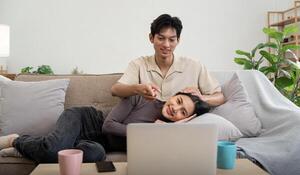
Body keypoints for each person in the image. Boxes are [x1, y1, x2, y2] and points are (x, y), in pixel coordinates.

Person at [0, 92, 210, 163]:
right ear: (174, 95)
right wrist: (149, 131)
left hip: (94, 143)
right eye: (179, 101)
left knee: (96, 155)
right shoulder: (141, 99)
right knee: (52, 151)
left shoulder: (164, 133)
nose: (176, 109)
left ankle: (28, 149)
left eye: (183, 112)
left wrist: (169, 131)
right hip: (83, 119)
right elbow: (109, 126)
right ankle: (17, 140)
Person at [111, 14, 225, 106]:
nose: (166, 45)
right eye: (161, 38)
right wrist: (137, 89)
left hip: (182, 126)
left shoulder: (194, 65)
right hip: (147, 125)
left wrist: (202, 98)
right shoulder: (139, 64)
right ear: (151, 38)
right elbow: (115, 90)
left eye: (172, 40)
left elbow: (220, 97)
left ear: (178, 40)